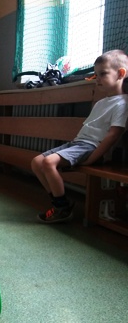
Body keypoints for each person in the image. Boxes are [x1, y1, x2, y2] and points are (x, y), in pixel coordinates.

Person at [32, 49, 128, 224]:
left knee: (48, 162)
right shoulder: (101, 102)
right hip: (78, 143)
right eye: (96, 75)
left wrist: (92, 158)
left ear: (121, 74)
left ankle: (62, 208)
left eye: (103, 74)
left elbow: (114, 135)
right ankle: (60, 202)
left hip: (92, 147)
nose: (97, 79)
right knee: (37, 162)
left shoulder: (122, 103)